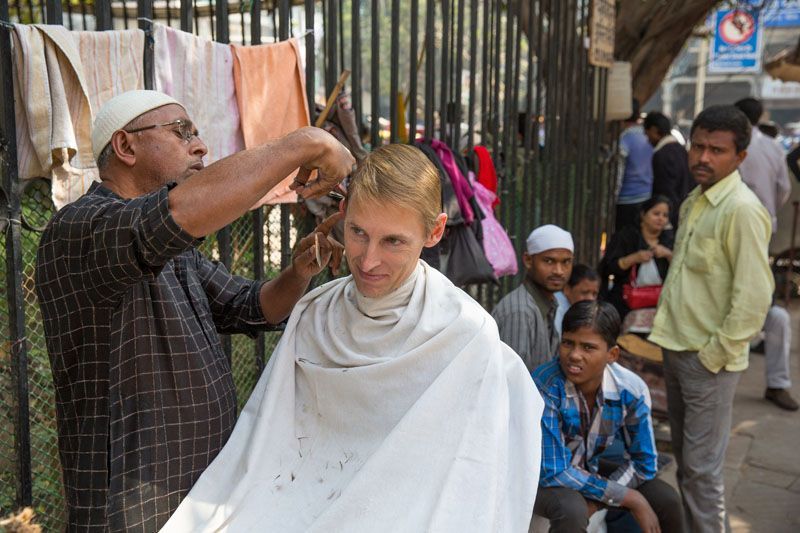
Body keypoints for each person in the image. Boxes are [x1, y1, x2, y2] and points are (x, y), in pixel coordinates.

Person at [161, 144, 545, 532]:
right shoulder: (316, 314)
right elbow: (272, 446)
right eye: (358, 232)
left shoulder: (464, 333)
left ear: (435, 231)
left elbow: (466, 486)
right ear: (341, 214)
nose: (368, 260)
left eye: (393, 241)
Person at [34, 90, 356, 531]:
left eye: (197, 133)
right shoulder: (80, 227)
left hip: (201, 498)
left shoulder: (177, 248)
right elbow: (178, 212)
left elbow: (251, 307)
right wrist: (305, 142)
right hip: (134, 509)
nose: (200, 145)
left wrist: (300, 272)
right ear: (126, 147)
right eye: (181, 132)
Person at [649, 105, 773, 533]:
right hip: (678, 348)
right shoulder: (696, 200)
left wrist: (714, 355)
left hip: (708, 362)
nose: (703, 157)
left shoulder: (741, 209)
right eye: (698, 146)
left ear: (739, 157)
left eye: (716, 150)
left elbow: (755, 297)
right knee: (687, 465)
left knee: (702, 473)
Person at [532, 300, 685, 533]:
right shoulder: (546, 385)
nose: (574, 355)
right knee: (572, 509)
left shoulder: (630, 390)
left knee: (667, 499)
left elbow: (644, 463)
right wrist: (628, 497)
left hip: (586, 469)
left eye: (588, 347)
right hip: (540, 478)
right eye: (567, 343)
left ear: (612, 354)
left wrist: (605, 497)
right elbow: (554, 470)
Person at [492, 225, 574, 372]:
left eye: (566, 262)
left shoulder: (549, 304)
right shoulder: (520, 311)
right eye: (549, 261)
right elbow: (512, 380)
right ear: (528, 260)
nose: (559, 271)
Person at [599, 196, 673, 322]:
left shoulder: (669, 240)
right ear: (643, 214)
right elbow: (608, 268)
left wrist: (668, 254)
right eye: (656, 214)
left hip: (660, 303)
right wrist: (634, 258)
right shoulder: (626, 236)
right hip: (624, 302)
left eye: (665, 215)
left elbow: (680, 270)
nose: (661, 218)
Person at [734, 97, 791, 233]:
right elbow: (784, 187)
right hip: (765, 218)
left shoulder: (733, 145)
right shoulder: (774, 146)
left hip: (737, 219)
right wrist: (770, 206)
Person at [643, 111, 692, 229]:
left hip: (672, 218)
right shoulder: (681, 150)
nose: (647, 139)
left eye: (647, 133)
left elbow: (665, 191)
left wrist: (665, 220)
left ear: (654, 130)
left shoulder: (662, 154)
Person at [616, 99, 654, 231]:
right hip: (647, 196)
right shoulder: (648, 136)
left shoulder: (624, 139)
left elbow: (618, 174)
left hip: (626, 199)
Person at [554, 264, 600, 336]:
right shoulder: (556, 310)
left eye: (594, 294)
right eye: (584, 292)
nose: (591, 298)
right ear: (567, 289)